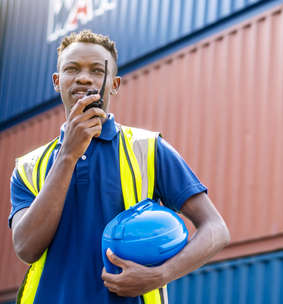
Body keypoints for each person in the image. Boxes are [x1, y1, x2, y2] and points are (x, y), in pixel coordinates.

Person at [9, 30, 230, 304]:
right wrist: (68, 155)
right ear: (57, 81)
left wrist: (161, 274)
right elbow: (26, 248)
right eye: (72, 69)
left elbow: (216, 229)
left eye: (96, 71)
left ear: (114, 84)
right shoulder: (29, 168)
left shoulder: (149, 149)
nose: (84, 78)